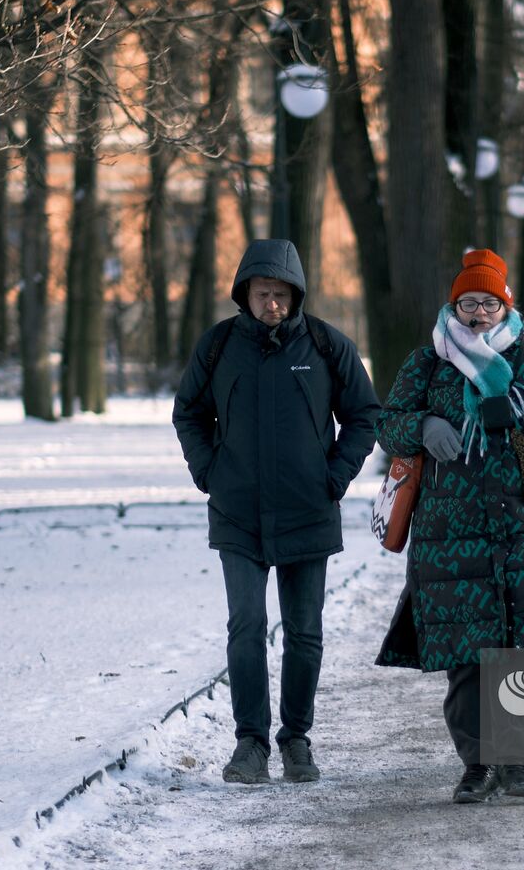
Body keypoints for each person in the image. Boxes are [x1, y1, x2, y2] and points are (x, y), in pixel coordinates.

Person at [375, 248, 524, 804]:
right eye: (468, 302)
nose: (477, 313)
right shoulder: (428, 364)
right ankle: (476, 764)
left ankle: (514, 763)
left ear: (506, 306)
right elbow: (389, 424)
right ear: (454, 306)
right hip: (451, 534)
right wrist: (422, 426)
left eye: (488, 303)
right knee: (467, 660)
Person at [173, 239, 380, 786]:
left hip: (309, 511)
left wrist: (335, 476)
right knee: (246, 626)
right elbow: (188, 413)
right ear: (245, 293)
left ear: (297, 295)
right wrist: (208, 471)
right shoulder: (218, 346)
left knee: (305, 631)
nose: (273, 304)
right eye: (264, 293)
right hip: (238, 512)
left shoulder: (326, 344)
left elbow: (364, 414)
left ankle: (296, 741)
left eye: (283, 295)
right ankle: (250, 743)